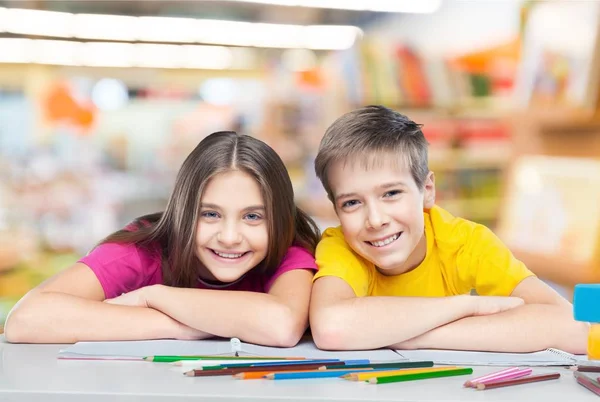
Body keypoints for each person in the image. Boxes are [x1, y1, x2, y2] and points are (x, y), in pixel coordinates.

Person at [309, 105, 587, 353]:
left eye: (391, 193)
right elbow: (331, 326)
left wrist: (415, 335)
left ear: (427, 190)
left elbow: (573, 327)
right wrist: (465, 307)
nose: (375, 219)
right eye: (352, 202)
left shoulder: (464, 242)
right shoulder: (339, 246)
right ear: (336, 210)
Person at [5, 131, 320, 346]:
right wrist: (182, 326)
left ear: (278, 219)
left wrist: (154, 297)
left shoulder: (287, 250)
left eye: (253, 217)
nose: (229, 237)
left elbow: (282, 324)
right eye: (209, 214)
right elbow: (26, 320)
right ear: (182, 210)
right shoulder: (144, 250)